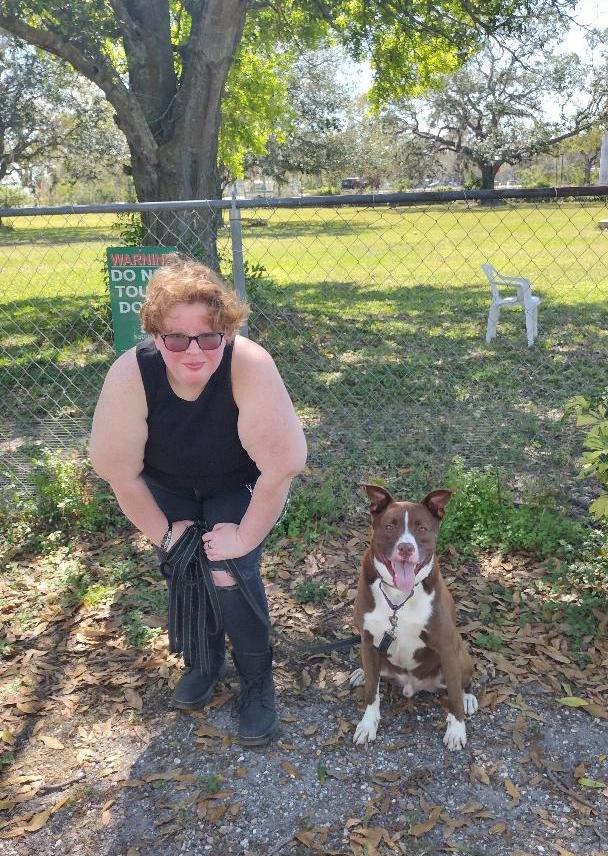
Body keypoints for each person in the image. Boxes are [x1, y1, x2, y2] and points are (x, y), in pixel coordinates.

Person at [89, 257, 307, 746]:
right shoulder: (132, 374)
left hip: (237, 482)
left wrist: (244, 535)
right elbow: (118, 473)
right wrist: (167, 534)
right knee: (186, 565)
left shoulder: (248, 364)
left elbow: (284, 465)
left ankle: (256, 680)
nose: (194, 351)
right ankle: (204, 663)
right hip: (167, 485)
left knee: (227, 568)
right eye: (176, 338)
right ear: (154, 334)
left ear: (226, 333)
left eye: (208, 337)